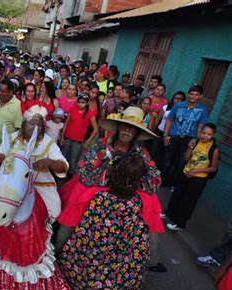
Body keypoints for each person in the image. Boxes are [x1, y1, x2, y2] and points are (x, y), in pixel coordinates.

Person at [0, 105, 72, 290]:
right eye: (32, 123)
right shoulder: (13, 138)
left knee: (55, 210)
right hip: (12, 184)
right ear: (24, 124)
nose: (35, 127)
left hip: (39, 186)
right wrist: (5, 159)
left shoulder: (49, 143)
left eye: (39, 124)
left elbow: (64, 166)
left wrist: (50, 162)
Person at [56, 106, 165, 270]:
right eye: (124, 125)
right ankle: (58, 251)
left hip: (129, 191)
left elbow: (155, 178)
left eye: (132, 128)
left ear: (136, 132)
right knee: (77, 199)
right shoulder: (101, 146)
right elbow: (85, 171)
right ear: (118, 126)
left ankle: (152, 261)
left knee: (151, 206)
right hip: (100, 188)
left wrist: (130, 181)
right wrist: (109, 176)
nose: (127, 130)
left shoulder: (141, 152)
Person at [58, 154, 151, 290]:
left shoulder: (100, 197)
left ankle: (83, 287)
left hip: (93, 251)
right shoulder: (137, 202)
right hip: (120, 257)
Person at [164, 123, 220, 231]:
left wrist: (196, 170)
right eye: (203, 133)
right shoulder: (195, 142)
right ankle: (169, 213)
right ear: (200, 132)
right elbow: (185, 158)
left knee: (188, 201)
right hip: (185, 174)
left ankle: (180, 223)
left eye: (208, 134)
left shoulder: (214, 150)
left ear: (213, 135)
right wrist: (190, 148)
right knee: (177, 194)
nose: (205, 136)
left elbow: (213, 168)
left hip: (198, 179)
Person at [163, 84, 208, 188]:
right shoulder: (179, 105)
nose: (193, 96)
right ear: (188, 94)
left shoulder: (202, 110)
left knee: (180, 162)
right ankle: (162, 181)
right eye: (192, 94)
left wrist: (196, 140)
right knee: (167, 160)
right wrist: (165, 135)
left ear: (200, 96)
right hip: (173, 136)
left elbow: (200, 126)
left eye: (196, 95)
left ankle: (173, 184)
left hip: (188, 140)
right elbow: (170, 120)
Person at [60, 93, 98, 176]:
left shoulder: (90, 113)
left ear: (87, 103)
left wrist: (88, 141)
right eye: (79, 102)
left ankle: (71, 177)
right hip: (67, 138)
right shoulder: (73, 109)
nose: (80, 104)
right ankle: (61, 174)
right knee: (64, 156)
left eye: (83, 102)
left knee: (74, 159)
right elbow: (66, 123)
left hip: (78, 141)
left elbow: (95, 129)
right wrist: (62, 137)